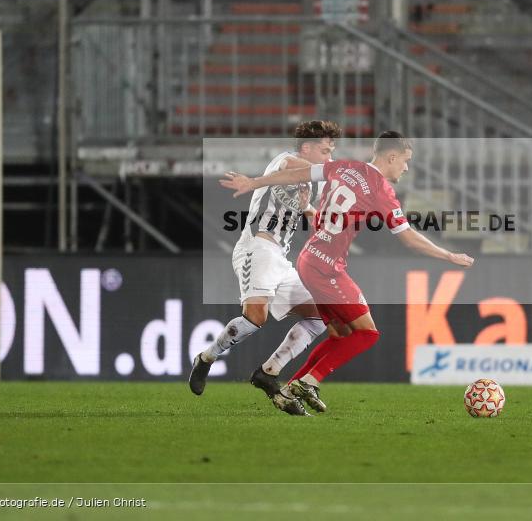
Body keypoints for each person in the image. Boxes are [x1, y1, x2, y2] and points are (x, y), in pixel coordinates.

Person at [221, 131, 474, 412]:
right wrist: (448, 255)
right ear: (392, 156)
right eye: (405, 160)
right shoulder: (381, 190)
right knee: (367, 334)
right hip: (326, 268)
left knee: (341, 334)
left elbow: (298, 175)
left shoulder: (346, 166)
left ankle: (293, 383)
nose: (406, 167)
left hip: (309, 258)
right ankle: (306, 382)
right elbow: (409, 238)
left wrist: (254, 182)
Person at [189, 120, 342, 416]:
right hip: (256, 248)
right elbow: (291, 171)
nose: (329, 157)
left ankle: (268, 373)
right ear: (307, 148)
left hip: (280, 259)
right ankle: (206, 358)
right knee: (255, 318)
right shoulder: (285, 161)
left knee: (320, 317)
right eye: (325, 150)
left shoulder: (305, 182)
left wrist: (322, 218)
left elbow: (307, 209)